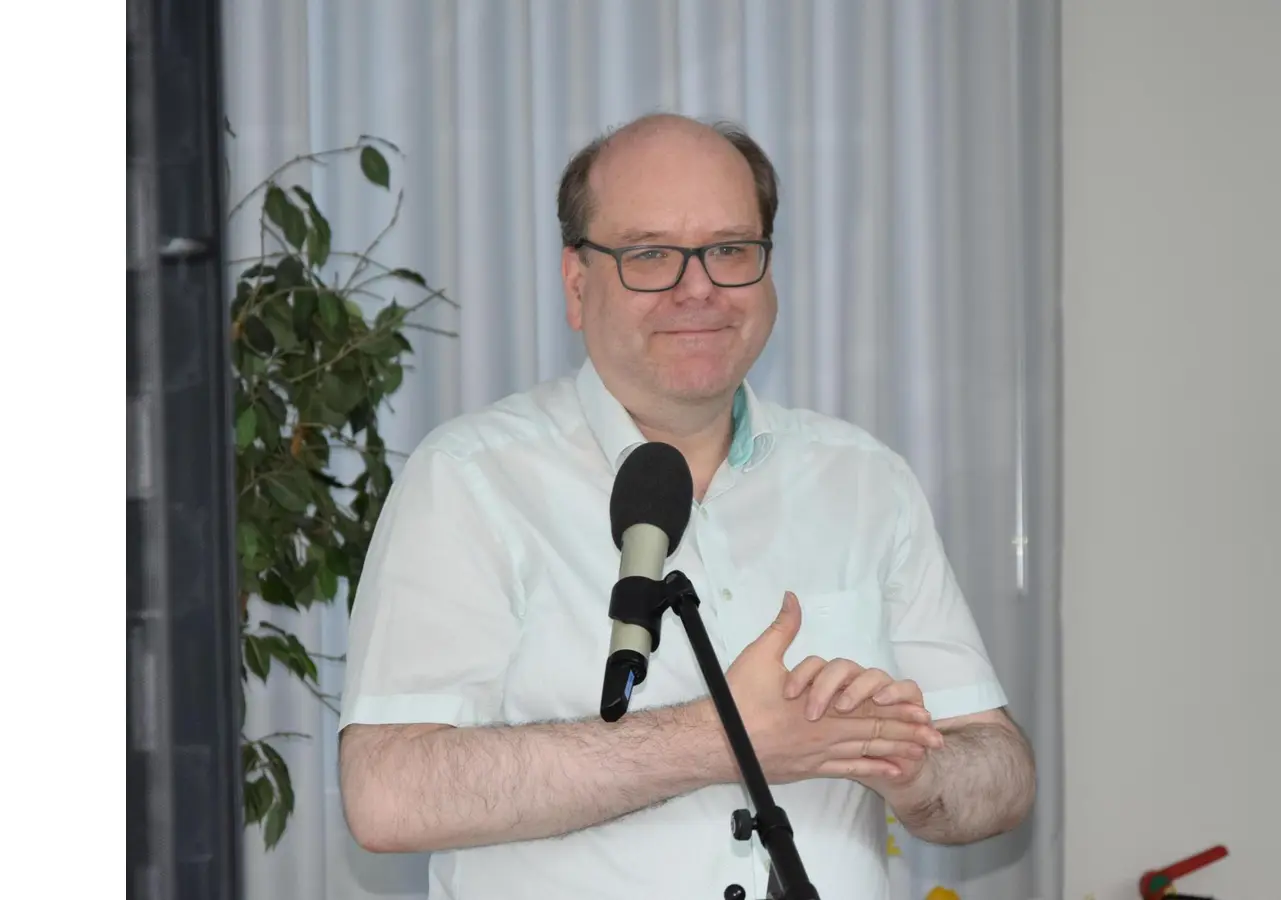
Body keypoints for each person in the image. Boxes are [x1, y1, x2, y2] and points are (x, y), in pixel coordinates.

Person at [336, 113, 1035, 900]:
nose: (697, 287)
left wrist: (904, 760)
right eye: (651, 255)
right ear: (577, 283)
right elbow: (387, 794)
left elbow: (1001, 773)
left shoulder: (866, 480)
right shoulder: (470, 478)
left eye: (731, 249)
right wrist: (721, 737)